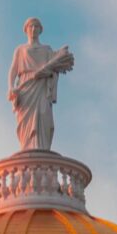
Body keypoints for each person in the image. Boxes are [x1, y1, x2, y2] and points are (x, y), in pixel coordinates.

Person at [7, 17, 74, 151]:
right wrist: (11, 87)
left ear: (40, 30)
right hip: (25, 86)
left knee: (44, 116)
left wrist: (46, 72)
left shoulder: (46, 49)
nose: (33, 29)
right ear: (26, 30)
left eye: (36, 27)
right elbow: (13, 70)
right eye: (30, 27)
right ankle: (27, 150)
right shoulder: (20, 49)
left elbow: (56, 67)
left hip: (42, 86)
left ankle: (42, 149)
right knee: (25, 120)